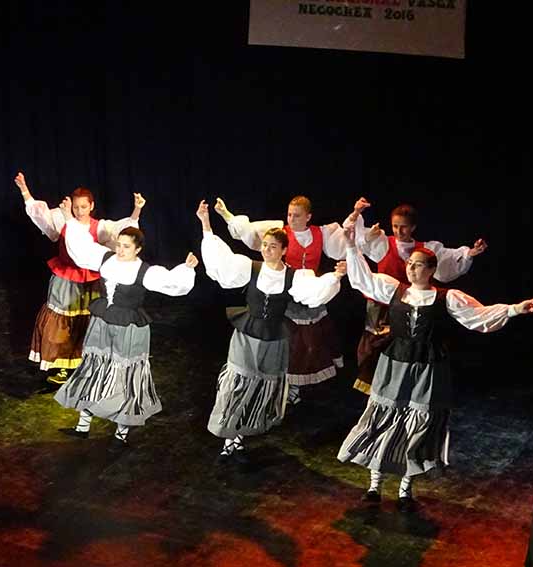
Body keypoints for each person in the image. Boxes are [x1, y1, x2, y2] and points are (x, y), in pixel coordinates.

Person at [337, 225, 533, 511]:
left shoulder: (448, 298)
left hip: (427, 369)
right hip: (395, 363)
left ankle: (406, 488)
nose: (411, 269)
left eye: (418, 265)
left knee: (417, 427)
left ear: (431, 269)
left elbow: (478, 316)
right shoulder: (393, 289)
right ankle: (375, 485)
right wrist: (350, 246)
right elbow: (363, 280)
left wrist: (512, 309)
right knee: (383, 419)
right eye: (409, 264)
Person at [197, 200, 345, 463]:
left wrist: (335, 277)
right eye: (264, 245)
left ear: (284, 250)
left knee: (261, 387)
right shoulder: (250, 267)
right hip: (246, 335)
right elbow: (221, 265)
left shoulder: (295, 277)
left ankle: (239, 437)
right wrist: (206, 224)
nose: (266, 250)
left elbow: (315, 293)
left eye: (272, 246)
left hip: (274, 339)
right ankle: (229, 440)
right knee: (236, 384)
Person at [52, 196, 197, 450]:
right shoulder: (106, 260)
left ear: (137, 249)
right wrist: (69, 221)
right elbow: (82, 248)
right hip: (103, 323)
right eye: (119, 245)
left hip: (128, 329)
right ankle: (83, 424)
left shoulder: (145, 272)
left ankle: (121, 433)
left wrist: (186, 269)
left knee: (125, 376)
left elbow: (173, 283)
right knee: (95, 368)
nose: (120, 250)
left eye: (126, 247)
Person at [213, 195, 359, 404]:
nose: (291, 219)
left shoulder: (321, 234)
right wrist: (226, 214)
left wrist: (355, 215)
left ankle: (295, 385)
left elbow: (345, 241)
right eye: (289, 214)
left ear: (308, 216)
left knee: (308, 342)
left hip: (307, 292)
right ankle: (275, 383)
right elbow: (250, 232)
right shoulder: (281, 233)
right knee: (287, 340)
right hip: (283, 293)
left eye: (297, 215)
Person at [344, 199, 487, 393]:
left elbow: (447, 261)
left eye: (403, 227)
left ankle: (407, 386)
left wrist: (470, 253)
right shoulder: (382, 242)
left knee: (408, 346)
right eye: (395, 226)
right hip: (382, 306)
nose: (398, 231)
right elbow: (353, 237)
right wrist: (356, 213)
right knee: (374, 345)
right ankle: (376, 387)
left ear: (413, 227)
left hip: (412, 306)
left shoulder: (426, 249)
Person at [15, 171, 144, 386]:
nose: (79, 211)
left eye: (84, 207)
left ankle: (88, 364)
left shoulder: (100, 227)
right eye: (76, 207)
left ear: (91, 206)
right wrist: (24, 190)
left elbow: (123, 231)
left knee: (89, 322)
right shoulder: (62, 219)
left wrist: (137, 209)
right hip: (66, 278)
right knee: (63, 322)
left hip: (91, 280)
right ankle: (64, 366)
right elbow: (41, 217)